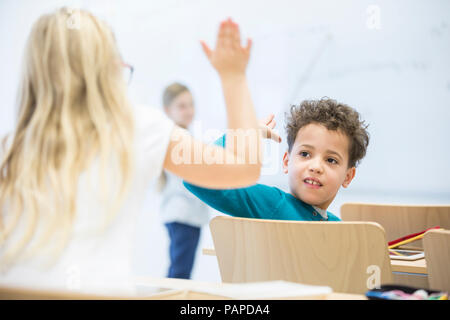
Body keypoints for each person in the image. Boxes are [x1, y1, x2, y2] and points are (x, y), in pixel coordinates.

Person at [0, 8, 261, 295]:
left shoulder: (8, 149)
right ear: (108, 70)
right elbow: (244, 167)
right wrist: (233, 77)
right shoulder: (137, 127)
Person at [184, 98, 370, 221]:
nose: (315, 167)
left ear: (348, 176)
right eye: (305, 154)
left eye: (331, 160)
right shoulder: (271, 204)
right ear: (287, 162)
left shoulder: (340, 227)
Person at [159, 83, 209, 279]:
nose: (189, 110)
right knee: (180, 273)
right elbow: (196, 177)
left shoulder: (183, 136)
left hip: (185, 215)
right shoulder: (178, 138)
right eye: (182, 106)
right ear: (167, 110)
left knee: (180, 271)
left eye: (191, 104)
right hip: (183, 215)